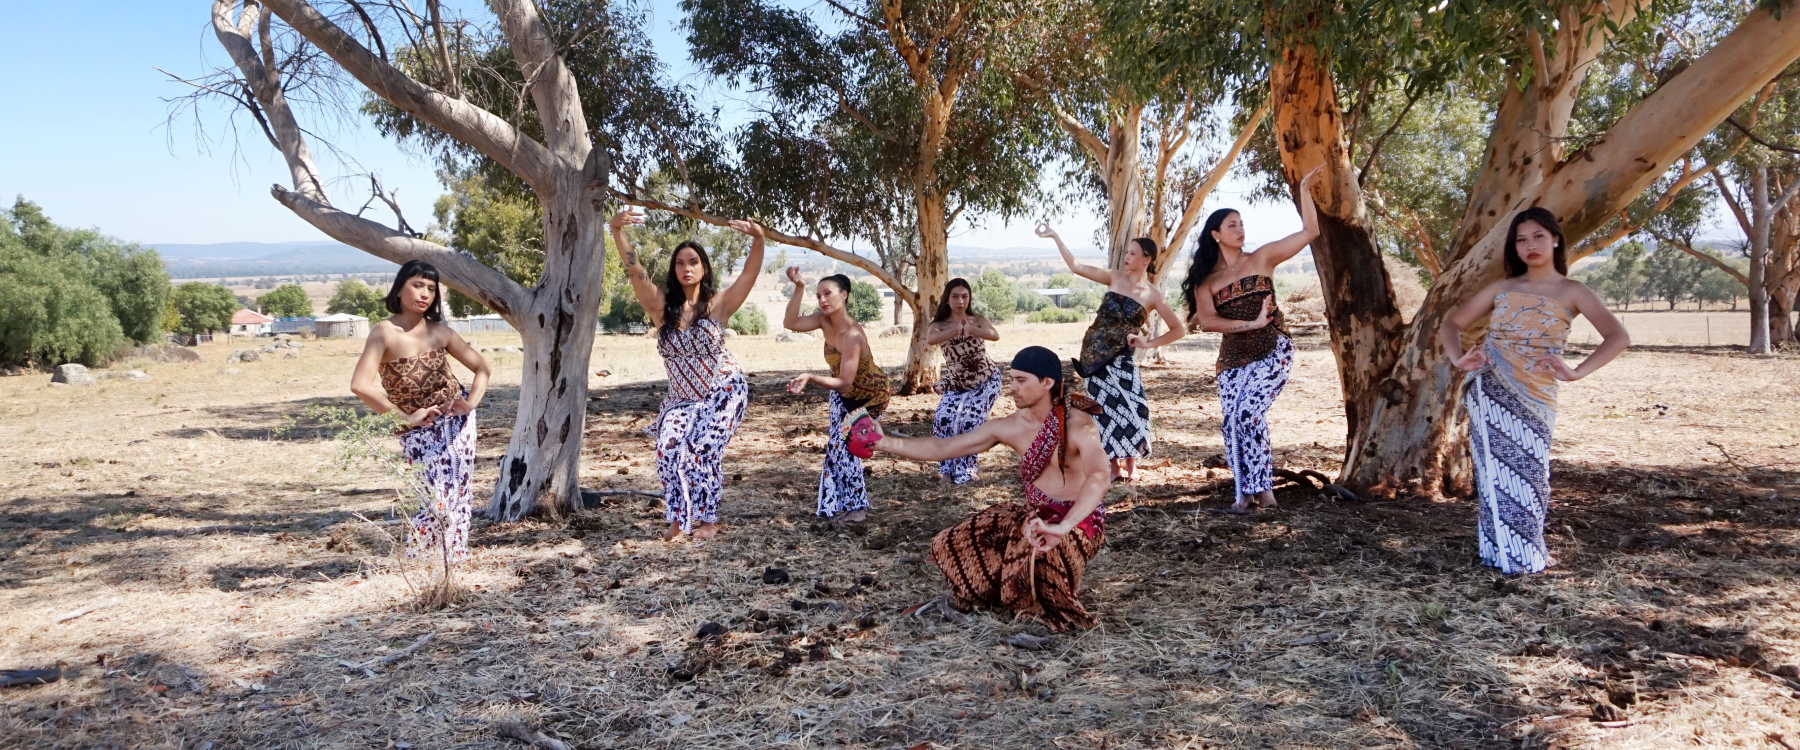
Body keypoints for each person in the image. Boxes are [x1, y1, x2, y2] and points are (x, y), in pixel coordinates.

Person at [867, 346, 1111, 632]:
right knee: (952, 542)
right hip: (1034, 520)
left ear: (1047, 383)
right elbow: (943, 447)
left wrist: (1063, 527)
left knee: (1039, 559)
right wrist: (884, 443)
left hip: (1077, 524)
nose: (1013, 388)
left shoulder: (1079, 425)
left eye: (1021, 380)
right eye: (1011, 379)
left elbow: (1099, 477)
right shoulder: (1007, 427)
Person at [1441, 207, 1628, 574]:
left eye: (1538, 236)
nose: (1530, 246)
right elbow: (1452, 323)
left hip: (1538, 394)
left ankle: (1525, 549)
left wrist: (1576, 372)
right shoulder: (1503, 287)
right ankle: (1506, 557)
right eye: (1521, 239)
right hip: (1490, 387)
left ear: (1556, 239)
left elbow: (1619, 337)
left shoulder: (1573, 291)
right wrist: (1459, 358)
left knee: (1532, 473)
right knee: (1495, 474)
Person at [609, 209, 766, 541]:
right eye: (680, 263)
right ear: (674, 270)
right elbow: (634, 269)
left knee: (701, 448)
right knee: (668, 449)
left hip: (723, 391)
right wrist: (616, 230)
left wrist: (759, 238)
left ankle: (707, 520)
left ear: (704, 267)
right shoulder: (660, 308)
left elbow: (749, 276)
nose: (686, 268)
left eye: (693, 261)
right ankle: (681, 518)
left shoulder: (717, 306)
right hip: (682, 399)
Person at [1179, 166, 1323, 514]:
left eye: (1242, 224)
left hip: (1273, 350)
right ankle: (1245, 494)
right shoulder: (1206, 282)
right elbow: (1209, 322)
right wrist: (1249, 323)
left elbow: (1311, 230)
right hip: (1232, 360)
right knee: (1230, 423)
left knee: (1248, 414)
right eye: (1233, 225)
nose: (1241, 230)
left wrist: (1303, 189)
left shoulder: (1262, 258)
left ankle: (1266, 494)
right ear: (1215, 235)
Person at [350, 260, 491, 564]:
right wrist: (406, 418)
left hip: (457, 422)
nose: (424, 293)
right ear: (399, 288)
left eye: (431, 288)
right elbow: (361, 385)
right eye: (417, 285)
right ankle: (420, 562)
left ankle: (452, 562)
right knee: (436, 497)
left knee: (459, 492)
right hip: (416, 429)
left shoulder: (440, 332)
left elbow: (482, 369)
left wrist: (470, 403)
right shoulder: (383, 333)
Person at [1036, 228, 1186, 482]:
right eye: (1126, 252)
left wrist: (1148, 344)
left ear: (1146, 259)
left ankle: (1132, 467)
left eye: (1132, 253)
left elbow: (1179, 329)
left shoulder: (1153, 295)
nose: (1126, 257)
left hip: (1122, 357)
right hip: (1094, 355)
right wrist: (1055, 236)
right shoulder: (1113, 278)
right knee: (1104, 410)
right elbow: (1076, 266)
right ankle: (1113, 468)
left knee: (1134, 408)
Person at [784, 268, 892, 525]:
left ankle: (857, 509)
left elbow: (845, 382)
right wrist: (799, 287)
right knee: (835, 447)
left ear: (844, 295)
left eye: (828, 293)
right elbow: (790, 322)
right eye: (818, 295)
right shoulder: (823, 320)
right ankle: (834, 506)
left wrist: (810, 377)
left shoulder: (853, 335)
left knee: (844, 448)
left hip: (869, 395)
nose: (822, 299)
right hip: (841, 394)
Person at [924, 278, 1002, 484]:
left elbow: (995, 335)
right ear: (947, 299)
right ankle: (947, 470)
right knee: (944, 419)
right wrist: (956, 330)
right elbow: (931, 339)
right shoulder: (939, 325)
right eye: (955, 296)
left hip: (986, 382)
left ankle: (967, 469)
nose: (960, 301)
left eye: (965, 296)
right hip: (957, 384)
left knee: (968, 423)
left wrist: (972, 330)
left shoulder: (977, 320)